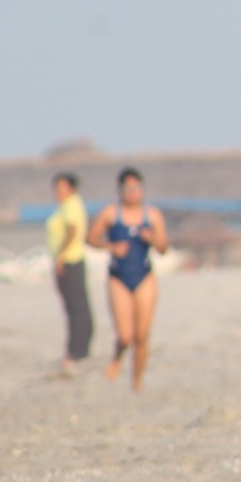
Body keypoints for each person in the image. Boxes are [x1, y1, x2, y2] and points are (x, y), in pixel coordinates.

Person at [86, 167, 169, 392]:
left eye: (136, 188)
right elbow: (91, 237)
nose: (132, 193)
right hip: (118, 278)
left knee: (142, 335)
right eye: (127, 189)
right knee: (125, 335)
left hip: (144, 276)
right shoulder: (111, 213)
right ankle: (116, 359)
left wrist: (152, 239)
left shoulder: (152, 215)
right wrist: (111, 246)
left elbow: (163, 248)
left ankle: (137, 380)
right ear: (120, 190)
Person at [47, 172, 95, 376]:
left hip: (71, 261)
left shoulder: (71, 205)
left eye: (62, 188)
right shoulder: (66, 206)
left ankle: (77, 351)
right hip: (69, 260)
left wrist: (61, 255)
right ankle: (76, 349)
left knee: (77, 307)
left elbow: (73, 229)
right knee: (73, 307)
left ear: (71, 188)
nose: (58, 192)